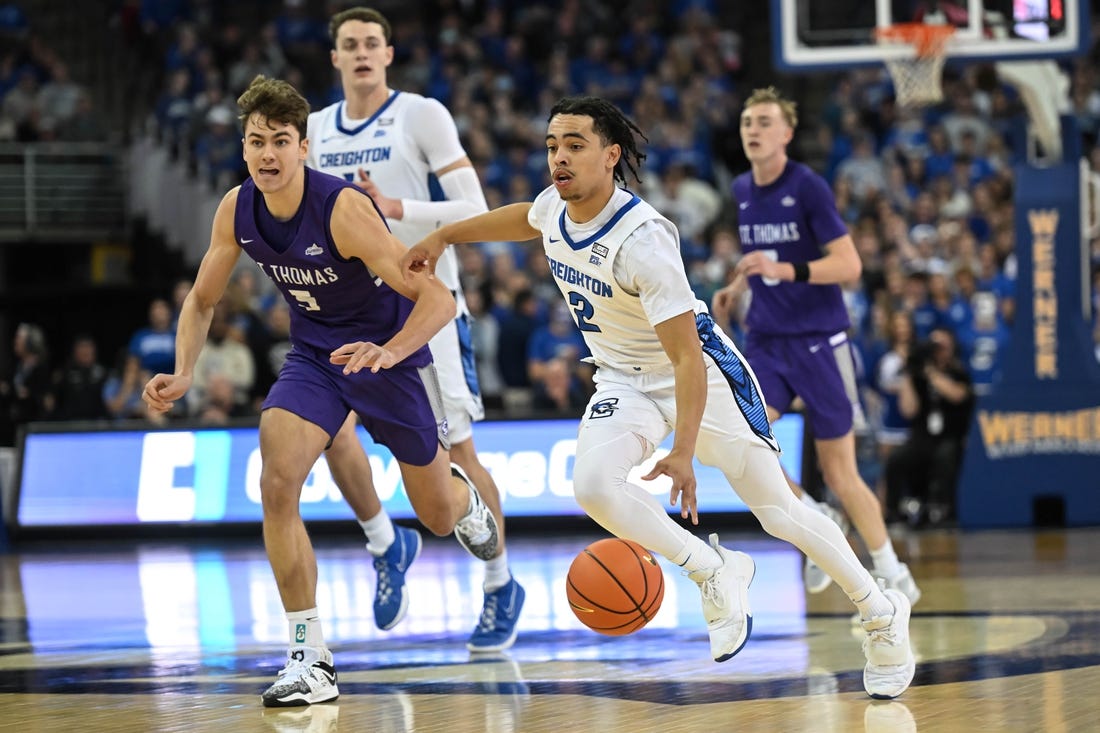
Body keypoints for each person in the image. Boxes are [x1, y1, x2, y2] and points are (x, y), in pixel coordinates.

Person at [403, 95, 915, 699]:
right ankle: (713, 570)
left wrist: (685, 452)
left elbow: (686, 357)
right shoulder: (557, 206)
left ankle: (880, 612)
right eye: (551, 146)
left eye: (574, 146)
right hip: (623, 378)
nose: (558, 159)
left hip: (700, 373)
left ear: (611, 155)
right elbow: (525, 218)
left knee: (779, 512)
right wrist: (444, 236)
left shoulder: (643, 239)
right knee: (592, 486)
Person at [142, 75, 500, 708]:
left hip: (386, 356)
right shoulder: (236, 208)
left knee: (439, 518)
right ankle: (310, 658)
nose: (268, 155)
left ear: (304, 147)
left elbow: (438, 299)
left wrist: (389, 350)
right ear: (244, 146)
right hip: (315, 356)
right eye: (257, 142)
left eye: (281, 141)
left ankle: (459, 495)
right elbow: (201, 299)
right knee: (277, 481)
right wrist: (186, 369)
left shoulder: (343, 210)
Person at [303, 6, 523, 651]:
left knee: (458, 453)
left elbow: (475, 210)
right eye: (351, 44)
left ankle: (500, 582)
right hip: (349, 312)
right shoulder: (314, 129)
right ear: (336, 58)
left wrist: (397, 207)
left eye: (373, 42)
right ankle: (383, 540)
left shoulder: (421, 114)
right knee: (326, 432)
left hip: (425, 303)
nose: (363, 52)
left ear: (389, 55)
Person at [712, 87, 922, 607]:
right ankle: (814, 511)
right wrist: (738, 286)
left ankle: (891, 570)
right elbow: (761, 258)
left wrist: (785, 269)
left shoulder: (807, 187)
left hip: (820, 342)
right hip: (764, 339)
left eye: (764, 122)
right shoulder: (741, 189)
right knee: (741, 439)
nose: (753, 130)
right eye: (747, 122)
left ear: (786, 133)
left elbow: (849, 267)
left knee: (841, 471)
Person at [886, 326, 974, 526]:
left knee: (945, 456)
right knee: (896, 459)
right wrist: (909, 372)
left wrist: (931, 373)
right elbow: (908, 410)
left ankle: (942, 510)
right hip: (922, 438)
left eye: (942, 346)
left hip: (950, 438)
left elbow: (957, 395)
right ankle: (895, 511)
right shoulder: (917, 376)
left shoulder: (958, 372)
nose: (938, 351)